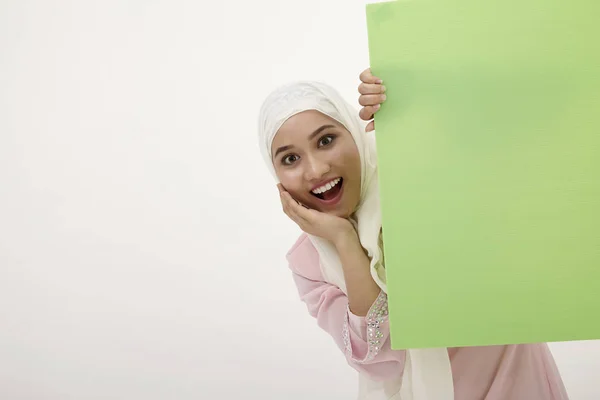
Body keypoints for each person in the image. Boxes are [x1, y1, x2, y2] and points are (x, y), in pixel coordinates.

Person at [257, 69, 569, 400]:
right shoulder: (308, 262)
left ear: (353, 133)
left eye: (326, 140)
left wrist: (410, 101)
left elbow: (490, 138)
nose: (317, 169)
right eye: (291, 159)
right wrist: (345, 241)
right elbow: (378, 359)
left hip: (515, 377)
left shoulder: (412, 174)